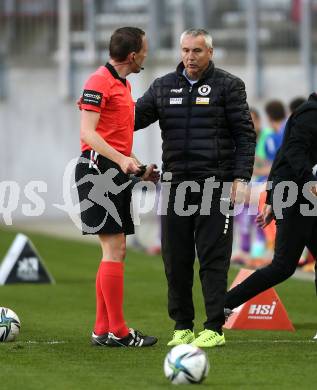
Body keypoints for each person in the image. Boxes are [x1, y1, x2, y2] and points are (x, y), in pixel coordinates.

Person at [135, 28, 256, 348]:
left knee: (214, 259)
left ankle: (214, 327)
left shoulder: (229, 86)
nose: (190, 56)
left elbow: (245, 136)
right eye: (186, 50)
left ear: (210, 53)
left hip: (214, 184)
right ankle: (182, 326)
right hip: (174, 186)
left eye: (197, 51)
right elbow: (130, 119)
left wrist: (240, 179)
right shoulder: (162, 87)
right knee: (175, 259)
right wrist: (102, 105)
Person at [75, 27, 159, 347]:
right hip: (97, 170)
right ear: (133, 55)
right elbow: (88, 134)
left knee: (114, 250)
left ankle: (102, 329)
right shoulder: (99, 80)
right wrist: (121, 162)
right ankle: (119, 331)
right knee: (114, 249)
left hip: (113, 169)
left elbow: (116, 140)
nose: (147, 56)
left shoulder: (120, 84)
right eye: (145, 50)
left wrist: (137, 168)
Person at [225, 93, 317, 313]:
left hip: (297, 192)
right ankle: (224, 303)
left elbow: (281, 156)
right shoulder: (311, 114)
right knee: (283, 267)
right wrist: (309, 183)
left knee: (283, 266)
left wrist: (272, 197)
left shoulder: (306, 112)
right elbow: (291, 154)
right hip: (297, 194)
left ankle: (224, 303)